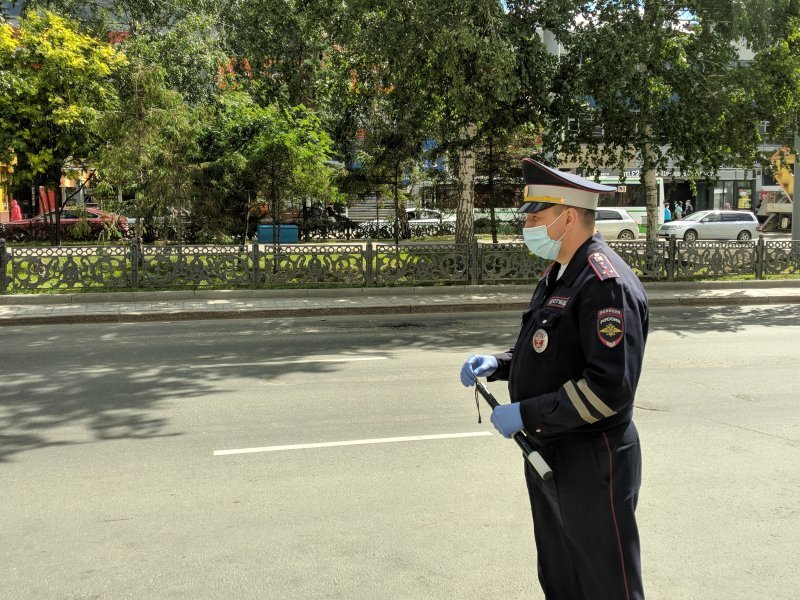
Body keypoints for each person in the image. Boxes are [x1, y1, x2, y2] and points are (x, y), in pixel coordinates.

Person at [460, 157, 649, 600]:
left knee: (605, 584)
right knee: (561, 577)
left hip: (591, 458)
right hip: (550, 451)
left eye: (536, 216)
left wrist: (525, 411)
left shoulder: (605, 284)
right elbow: (548, 348)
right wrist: (500, 362)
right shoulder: (560, 272)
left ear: (567, 217)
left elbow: (609, 390)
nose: (528, 225)